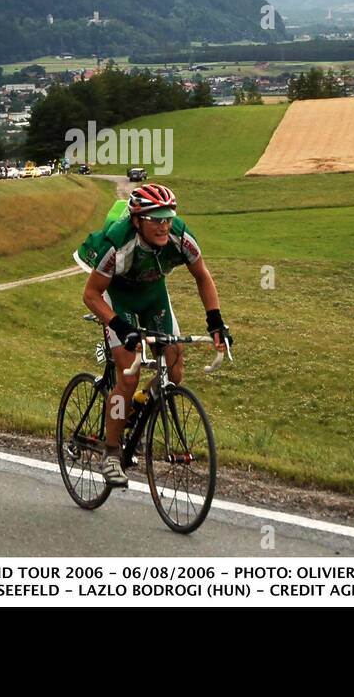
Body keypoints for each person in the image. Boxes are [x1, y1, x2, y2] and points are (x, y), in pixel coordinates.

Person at [75, 183, 231, 488]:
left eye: (168, 217)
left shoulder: (180, 236)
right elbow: (91, 295)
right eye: (155, 218)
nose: (163, 225)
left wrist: (216, 322)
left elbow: (202, 275)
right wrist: (119, 326)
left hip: (153, 295)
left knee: (174, 371)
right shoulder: (117, 245)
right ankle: (110, 452)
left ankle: (137, 404)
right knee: (129, 373)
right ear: (136, 220)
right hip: (116, 298)